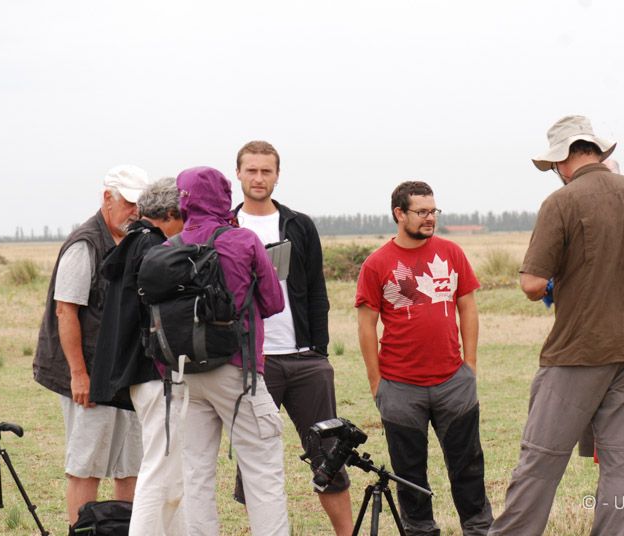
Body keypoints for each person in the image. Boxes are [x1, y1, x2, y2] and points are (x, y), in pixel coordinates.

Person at [488, 115, 624, 536]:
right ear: (596, 149)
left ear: (561, 161)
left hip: (577, 351)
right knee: (619, 463)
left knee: (540, 459)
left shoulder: (561, 202)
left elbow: (532, 283)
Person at [356, 180, 493, 536]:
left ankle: (478, 529)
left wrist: (471, 365)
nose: (430, 218)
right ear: (399, 214)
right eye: (421, 212)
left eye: (433, 211)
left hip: (453, 382)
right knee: (409, 474)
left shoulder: (451, 253)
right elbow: (367, 326)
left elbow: (468, 307)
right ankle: (420, 531)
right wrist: (377, 383)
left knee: (468, 467)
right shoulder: (377, 264)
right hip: (400, 387)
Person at [231, 140, 353, 535]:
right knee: (253, 463)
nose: (258, 178)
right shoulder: (226, 228)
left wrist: (319, 350)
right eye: (251, 170)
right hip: (253, 363)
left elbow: (317, 289)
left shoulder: (299, 225)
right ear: (238, 174)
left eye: (266, 171)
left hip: (304, 359)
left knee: (330, 455)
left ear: (277, 175)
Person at [174, 166, 288, 536]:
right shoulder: (243, 240)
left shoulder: (168, 248)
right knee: (262, 470)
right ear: (223, 195)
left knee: (195, 473)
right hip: (237, 369)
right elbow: (272, 303)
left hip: (183, 372)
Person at [33, 165, 149, 525]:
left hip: (124, 374)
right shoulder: (85, 245)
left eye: (140, 205)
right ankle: (81, 532)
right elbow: (66, 312)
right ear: (107, 198)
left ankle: (123, 532)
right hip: (90, 375)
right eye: (129, 203)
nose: (135, 212)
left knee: (131, 464)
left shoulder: (134, 242)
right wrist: (79, 374)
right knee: (87, 466)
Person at [89, 177, 185, 536]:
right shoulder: (153, 247)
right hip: (154, 370)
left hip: (138, 373)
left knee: (171, 472)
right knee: (160, 470)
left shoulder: (132, 242)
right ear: (172, 213)